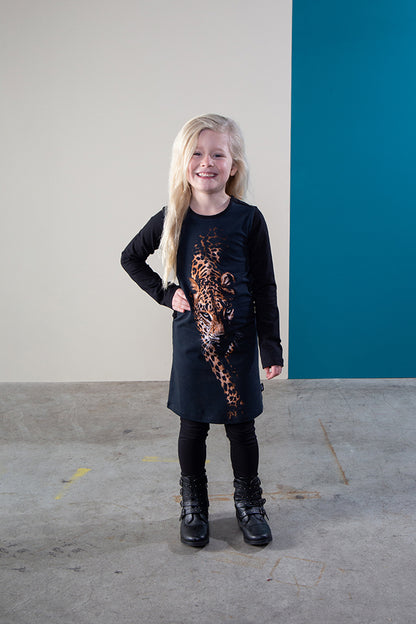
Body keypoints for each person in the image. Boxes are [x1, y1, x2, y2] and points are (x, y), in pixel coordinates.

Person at [121, 113, 283, 548]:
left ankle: (249, 504)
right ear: (183, 161)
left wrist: (270, 347)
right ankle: (194, 504)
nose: (206, 162)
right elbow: (130, 257)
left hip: (240, 343)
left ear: (233, 165)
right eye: (197, 153)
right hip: (193, 343)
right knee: (192, 427)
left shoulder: (249, 219)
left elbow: (264, 286)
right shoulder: (172, 217)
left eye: (217, 154)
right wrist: (165, 293)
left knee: (241, 428)